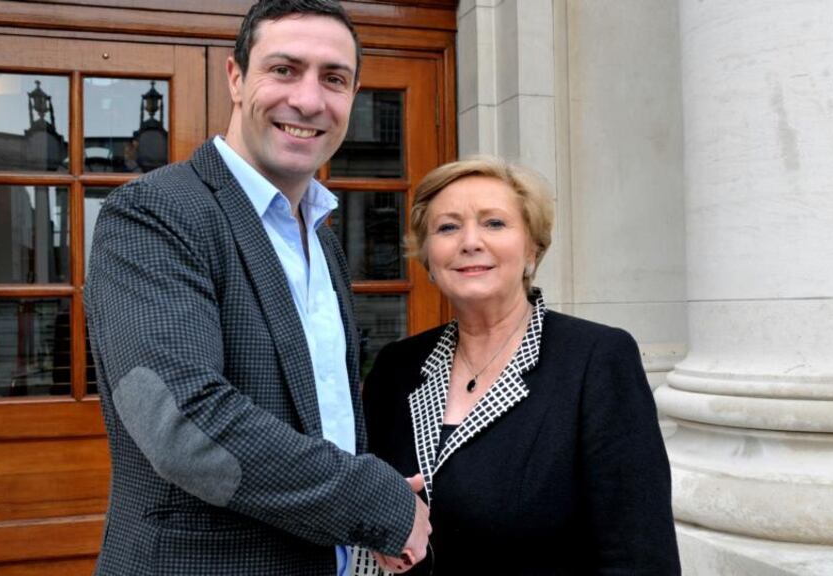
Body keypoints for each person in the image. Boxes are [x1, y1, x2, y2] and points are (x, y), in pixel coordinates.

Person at [85, 1, 429, 574]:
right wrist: (377, 503)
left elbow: (321, 414)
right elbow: (185, 424)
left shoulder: (320, 234)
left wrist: (362, 523)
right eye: (285, 69)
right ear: (236, 78)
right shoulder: (154, 214)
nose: (310, 100)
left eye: (334, 79)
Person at [360, 157, 681, 574]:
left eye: (494, 223)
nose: (470, 241)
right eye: (447, 227)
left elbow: (640, 554)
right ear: (427, 256)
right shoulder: (396, 367)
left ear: (532, 248)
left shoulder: (597, 358)